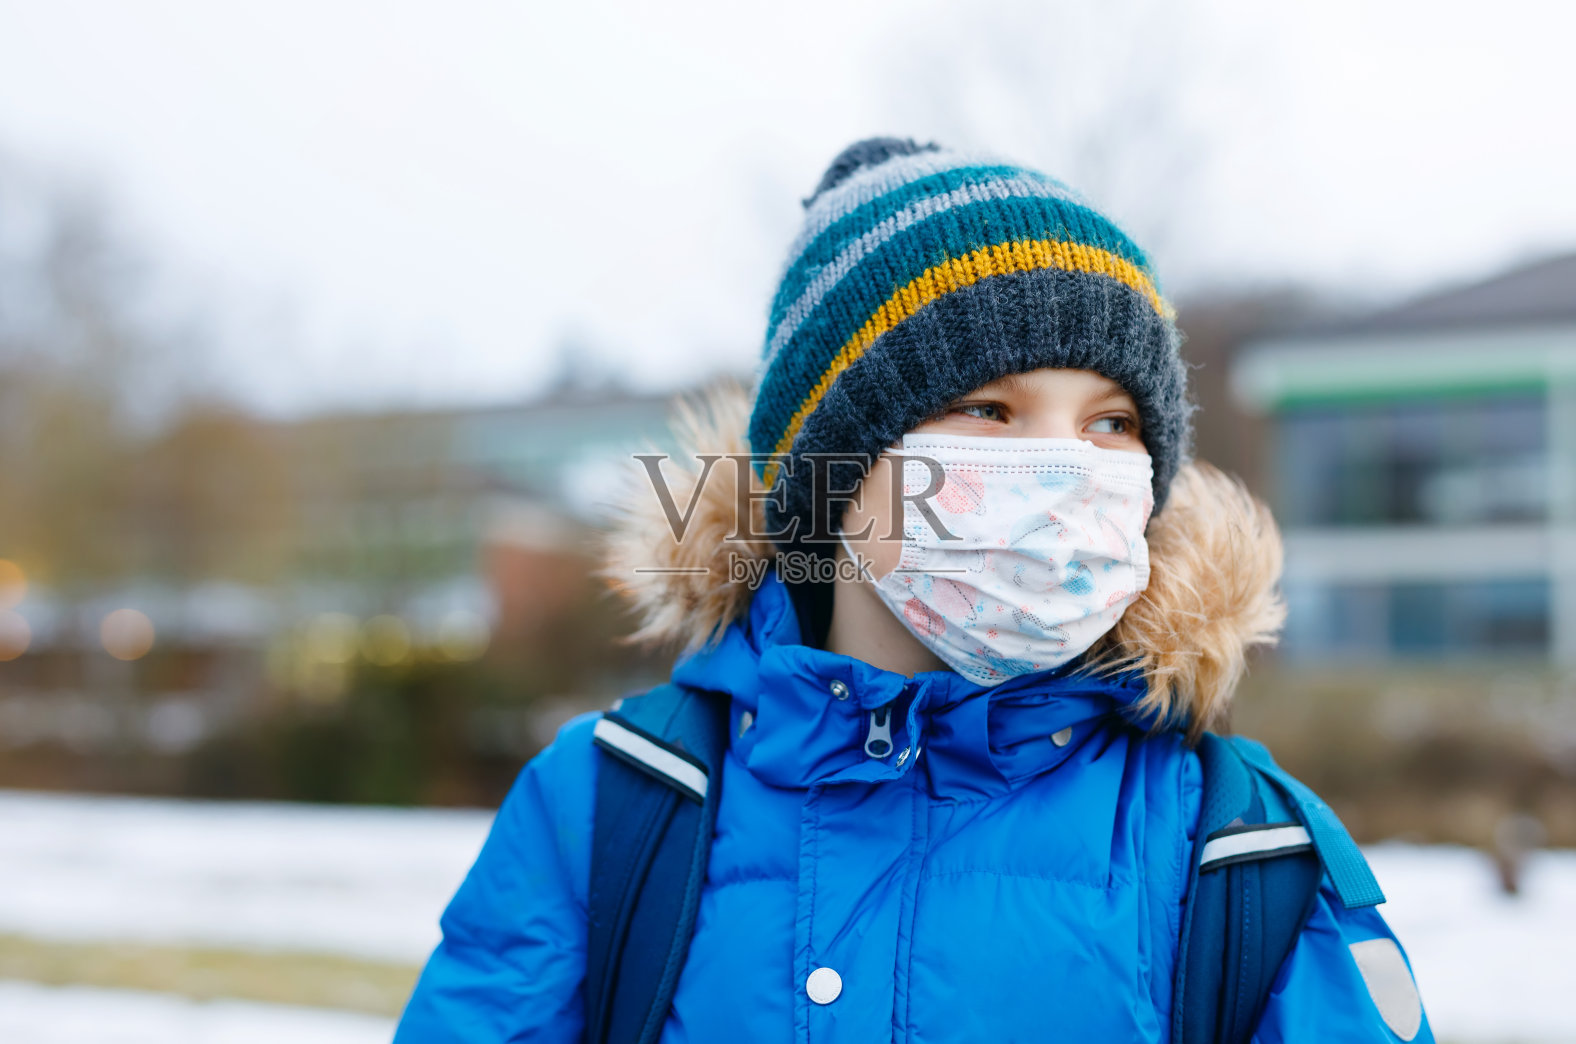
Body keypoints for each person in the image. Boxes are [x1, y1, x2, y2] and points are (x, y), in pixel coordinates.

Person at [394, 138, 1431, 1042]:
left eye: (1111, 423)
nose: (1065, 466)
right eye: (990, 408)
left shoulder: (1246, 851)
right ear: (831, 469)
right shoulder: (612, 804)